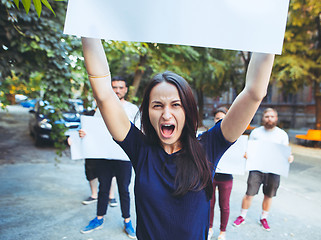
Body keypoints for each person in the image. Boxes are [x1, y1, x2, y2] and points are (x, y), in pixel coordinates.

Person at [82, 37, 275, 240]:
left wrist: (269, 31)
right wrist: (87, 27)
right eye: (157, 105)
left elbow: (254, 92)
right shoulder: (140, 149)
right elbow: (103, 93)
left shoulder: (209, 147)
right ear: (147, 112)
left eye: (176, 105)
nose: (166, 114)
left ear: (188, 110)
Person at [80, 77, 139, 239]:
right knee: (103, 188)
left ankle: (127, 221)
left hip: (123, 157)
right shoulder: (100, 109)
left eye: (120, 87)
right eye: (114, 87)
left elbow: (139, 132)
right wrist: (84, 133)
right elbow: (93, 130)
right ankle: (99, 218)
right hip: (104, 157)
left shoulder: (133, 109)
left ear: (126, 89)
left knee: (124, 190)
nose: (117, 90)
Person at [233, 108, 294, 231]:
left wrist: (289, 157)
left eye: (272, 116)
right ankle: (242, 216)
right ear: (263, 118)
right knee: (249, 194)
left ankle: (263, 218)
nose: (269, 119)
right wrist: (246, 154)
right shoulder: (256, 133)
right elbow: (248, 149)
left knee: (268, 195)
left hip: (274, 170)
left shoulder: (282, 134)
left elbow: (286, 152)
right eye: (267, 116)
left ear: (276, 118)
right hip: (256, 168)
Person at [80, 108, 118, 207]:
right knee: (90, 170)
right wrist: (81, 133)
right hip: (92, 149)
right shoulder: (88, 115)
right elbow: (80, 129)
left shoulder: (112, 112)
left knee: (112, 172)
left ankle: (111, 196)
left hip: (108, 148)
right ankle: (94, 195)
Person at [208, 107, 233, 240]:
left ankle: (223, 231)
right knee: (209, 203)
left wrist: (244, 156)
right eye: (217, 118)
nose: (220, 121)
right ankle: (210, 228)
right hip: (210, 176)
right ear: (214, 120)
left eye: (223, 118)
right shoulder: (208, 137)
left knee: (224, 205)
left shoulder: (233, 136)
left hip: (226, 177)